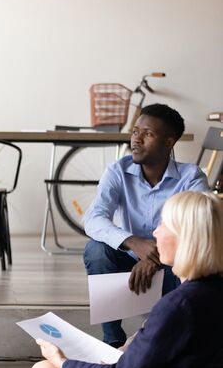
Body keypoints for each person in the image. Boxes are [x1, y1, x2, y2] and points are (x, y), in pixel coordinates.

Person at [11, 191, 223, 368]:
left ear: (187, 239)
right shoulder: (210, 294)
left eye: (164, 225)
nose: (155, 232)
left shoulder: (179, 305)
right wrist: (137, 344)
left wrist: (63, 362)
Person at [82, 103, 208, 347]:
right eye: (135, 131)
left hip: (173, 266)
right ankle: (112, 342)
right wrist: (133, 243)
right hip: (129, 261)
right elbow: (93, 218)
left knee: (195, 262)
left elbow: (198, 229)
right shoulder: (118, 170)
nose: (136, 140)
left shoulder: (190, 177)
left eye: (148, 134)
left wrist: (153, 257)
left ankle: (170, 341)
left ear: (169, 143)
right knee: (95, 251)